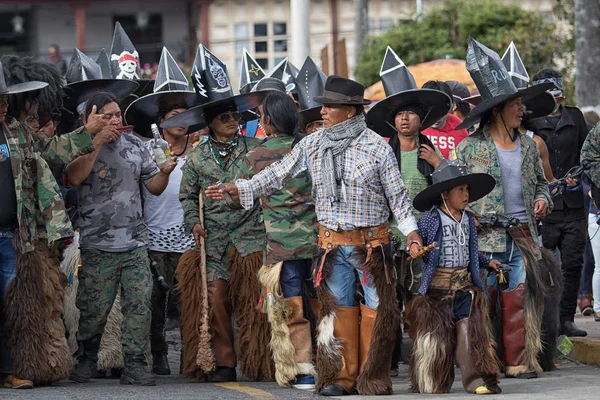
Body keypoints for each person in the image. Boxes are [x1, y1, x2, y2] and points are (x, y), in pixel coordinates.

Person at [206, 75, 423, 396]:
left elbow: (398, 198)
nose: (322, 112)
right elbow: (276, 175)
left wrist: (412, 233)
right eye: (323, 105)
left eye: (330, 106)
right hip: (332, 245)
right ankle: (341, 378)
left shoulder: (377, 145)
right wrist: (238, 188)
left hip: (373, 246)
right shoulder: (312, 144)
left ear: (349, 111)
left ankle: (373, 377)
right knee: (336, 311)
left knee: (378, 311)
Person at [167, 45, 273, 383]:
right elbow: (186, 197)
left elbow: (265, 188)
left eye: (236, 117)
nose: (233, 122)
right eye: (225, 118)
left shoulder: (254, 150)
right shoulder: (197, 158)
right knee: (215, 300)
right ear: (211, 123)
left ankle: (259, 363)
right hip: (212, 240)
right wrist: (193, 222)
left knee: (256, 302)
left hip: (250, 236)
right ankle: (223, 363)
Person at [455, 38, 553, 379]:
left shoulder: (527, 146)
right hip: (485, 236)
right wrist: (470, 221)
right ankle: (484, 363)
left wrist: (543, 199)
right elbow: (454, 194)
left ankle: (519, 362)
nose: (522, 109)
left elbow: (542, 185)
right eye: (515, 104)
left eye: (521, 104)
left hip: (524, 233)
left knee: (519, 299)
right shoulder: (468, 148)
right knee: (485, 302)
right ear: (497, 109)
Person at [0, 58, 99, 389]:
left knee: (16, 303)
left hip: (15, 236)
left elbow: (57, 149)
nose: (2, 106)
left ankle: (13, 369)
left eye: (4, 100)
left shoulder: (19, 134)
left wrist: (91, 133)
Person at [66, 92, 176, 386]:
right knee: (93, 310)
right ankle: (87, 358)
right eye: (108, 115)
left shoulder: (135, 147)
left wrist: (165, 173)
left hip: (135, 244)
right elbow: (74, 178)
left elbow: (154, 186)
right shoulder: (77, 144)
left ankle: (136, 364)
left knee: (139, 305)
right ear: (90, 117)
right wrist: (96, 142)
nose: (116, 120)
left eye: (118, 115)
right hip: (96, 245)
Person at [365, 47, 451, 376]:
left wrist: (438, 164)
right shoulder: (380, 153)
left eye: (410, 113)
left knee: (422, 304)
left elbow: (453, 192)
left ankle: (423, 364)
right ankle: (385, 365)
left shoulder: (432, 151)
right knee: (387, 306)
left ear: (420, 118)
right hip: (388, 240)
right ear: (392, 120)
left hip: (425, 242)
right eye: (399, 114)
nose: (404, 119)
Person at [124, 46, 204, 376]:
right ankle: (157, 353)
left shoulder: (200, 155)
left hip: (188, 239)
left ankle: (192, 357)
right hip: (153, 237)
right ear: (160, 122)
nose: (180, 121)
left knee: (190, 303)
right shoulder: (145, 152)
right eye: (173, 115)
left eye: (185, 115)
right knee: (154, 304)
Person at [406, 160, 501, 395]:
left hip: (464, 288)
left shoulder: (468, 219)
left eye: (467, 190)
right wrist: (414, 246)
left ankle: (474, 380)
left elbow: (470, 251)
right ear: (445, 194)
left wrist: (486, 261)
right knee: (436, 342)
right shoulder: (431, 218)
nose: (466, 194)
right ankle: (431, 381)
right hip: (436, 291)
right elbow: (416, 239)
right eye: (461, 190)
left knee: (468, 332)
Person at [247, 91, 319, 390]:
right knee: (323, 304)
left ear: (267, 121)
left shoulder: (255, 156)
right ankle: (332, 366)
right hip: (318, 242)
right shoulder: (309, 148)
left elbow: (243, 197)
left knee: (291, 308)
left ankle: (302, 370)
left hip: (279, 246)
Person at [532, 67, 589, 337]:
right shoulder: (530, 122)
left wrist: (582, 177)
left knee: (573, 263)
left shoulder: (575, 117)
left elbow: (586, 153)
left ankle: (566, 319)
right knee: (542, 264)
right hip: (544, 206)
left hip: (574, 204)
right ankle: (544, 321)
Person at [421, 80, 469, 159]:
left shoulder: (458, 126)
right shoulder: (413, 124)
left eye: (441, 110)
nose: (437, 116)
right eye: (432, 110)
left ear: (451, 107)